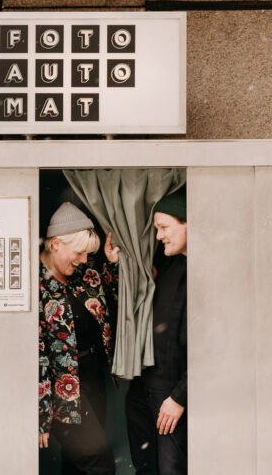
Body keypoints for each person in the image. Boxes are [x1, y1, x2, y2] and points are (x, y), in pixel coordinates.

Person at [38, 202, 121, 475]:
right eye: (79, 252)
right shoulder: (33, 286)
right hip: (63, 390)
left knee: (77, 464)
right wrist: (40, 414)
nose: (84, 260)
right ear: (57, 244)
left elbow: (119, 302)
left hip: (94, 377)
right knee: (98, 463)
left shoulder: (87, 276)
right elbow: (34, 354)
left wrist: (112, 264)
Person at [126, 188, 188, 475]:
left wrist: (179, 398)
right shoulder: (168, 263)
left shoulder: (205, 272)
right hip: (144, 387)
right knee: (146, 468)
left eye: (164, 227)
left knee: (170, 469)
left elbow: (210, 348)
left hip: (171, 393)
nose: (159, 235)